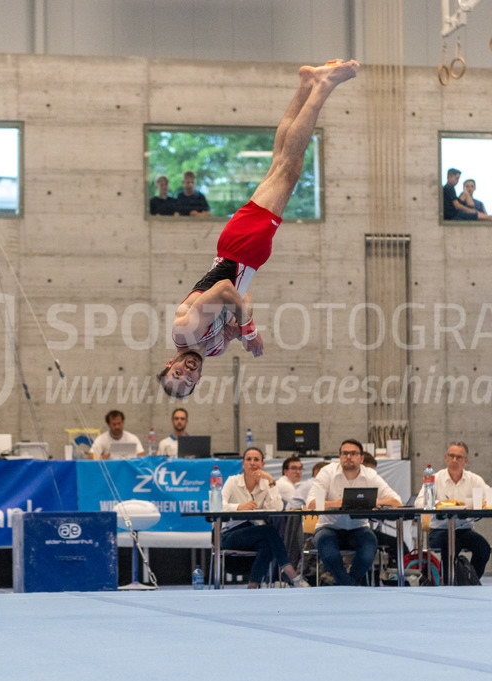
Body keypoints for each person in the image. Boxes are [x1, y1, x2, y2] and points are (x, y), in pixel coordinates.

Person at [158, 59, 360, 398]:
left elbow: (224, 289)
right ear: (198, 382)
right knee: (281, 165)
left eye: (177, 372)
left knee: (290, 170)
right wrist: (236, 330)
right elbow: (243, 297)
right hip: (245, 253)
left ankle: (323, 87)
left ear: (169, 362)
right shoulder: (213, 348)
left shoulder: (187, 331)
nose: (187, 372)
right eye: (188, 380)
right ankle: (306, 83)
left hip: (239, 250)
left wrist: (248, 331)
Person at [306, 439, 402, 586]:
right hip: (328, 527)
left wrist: (373, 502)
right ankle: (350, 586)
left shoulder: (370, 475)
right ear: (340, 457)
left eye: (353, 453)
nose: (348, 457)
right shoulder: (328, 472)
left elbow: (396, 501)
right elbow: (312, 504)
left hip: (358, 528)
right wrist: (336, 504)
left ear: (361, 458)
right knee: (329, 551)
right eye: (344, 453)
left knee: (369, 548)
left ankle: (344, 585)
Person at [220, 447, 309, 588]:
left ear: (263, 464)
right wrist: (239, 507)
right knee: (268, 531)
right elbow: (219, 505)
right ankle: (292, 574)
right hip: (231, 535)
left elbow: (277, 508)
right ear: (243, 463)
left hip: (254, 533)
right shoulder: (232, 481)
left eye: (256, 459)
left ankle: (253, 585)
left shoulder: (265, 484)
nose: (252, 463)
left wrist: (270, 480)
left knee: (266, 543)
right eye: (248, 459)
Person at [415, 442, 492, 584]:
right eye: (451, 456)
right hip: (439, 530)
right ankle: (449, 584)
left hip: (464, 529)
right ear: (446, 458)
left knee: (483, 548)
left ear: (465, 461)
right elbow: (418, 502)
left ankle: (469, 580)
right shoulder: (435, 478)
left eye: (459, 457)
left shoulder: (474, 480)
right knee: (452, 544)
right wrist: (435, 504)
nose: (454, 460)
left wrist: (487, 504)